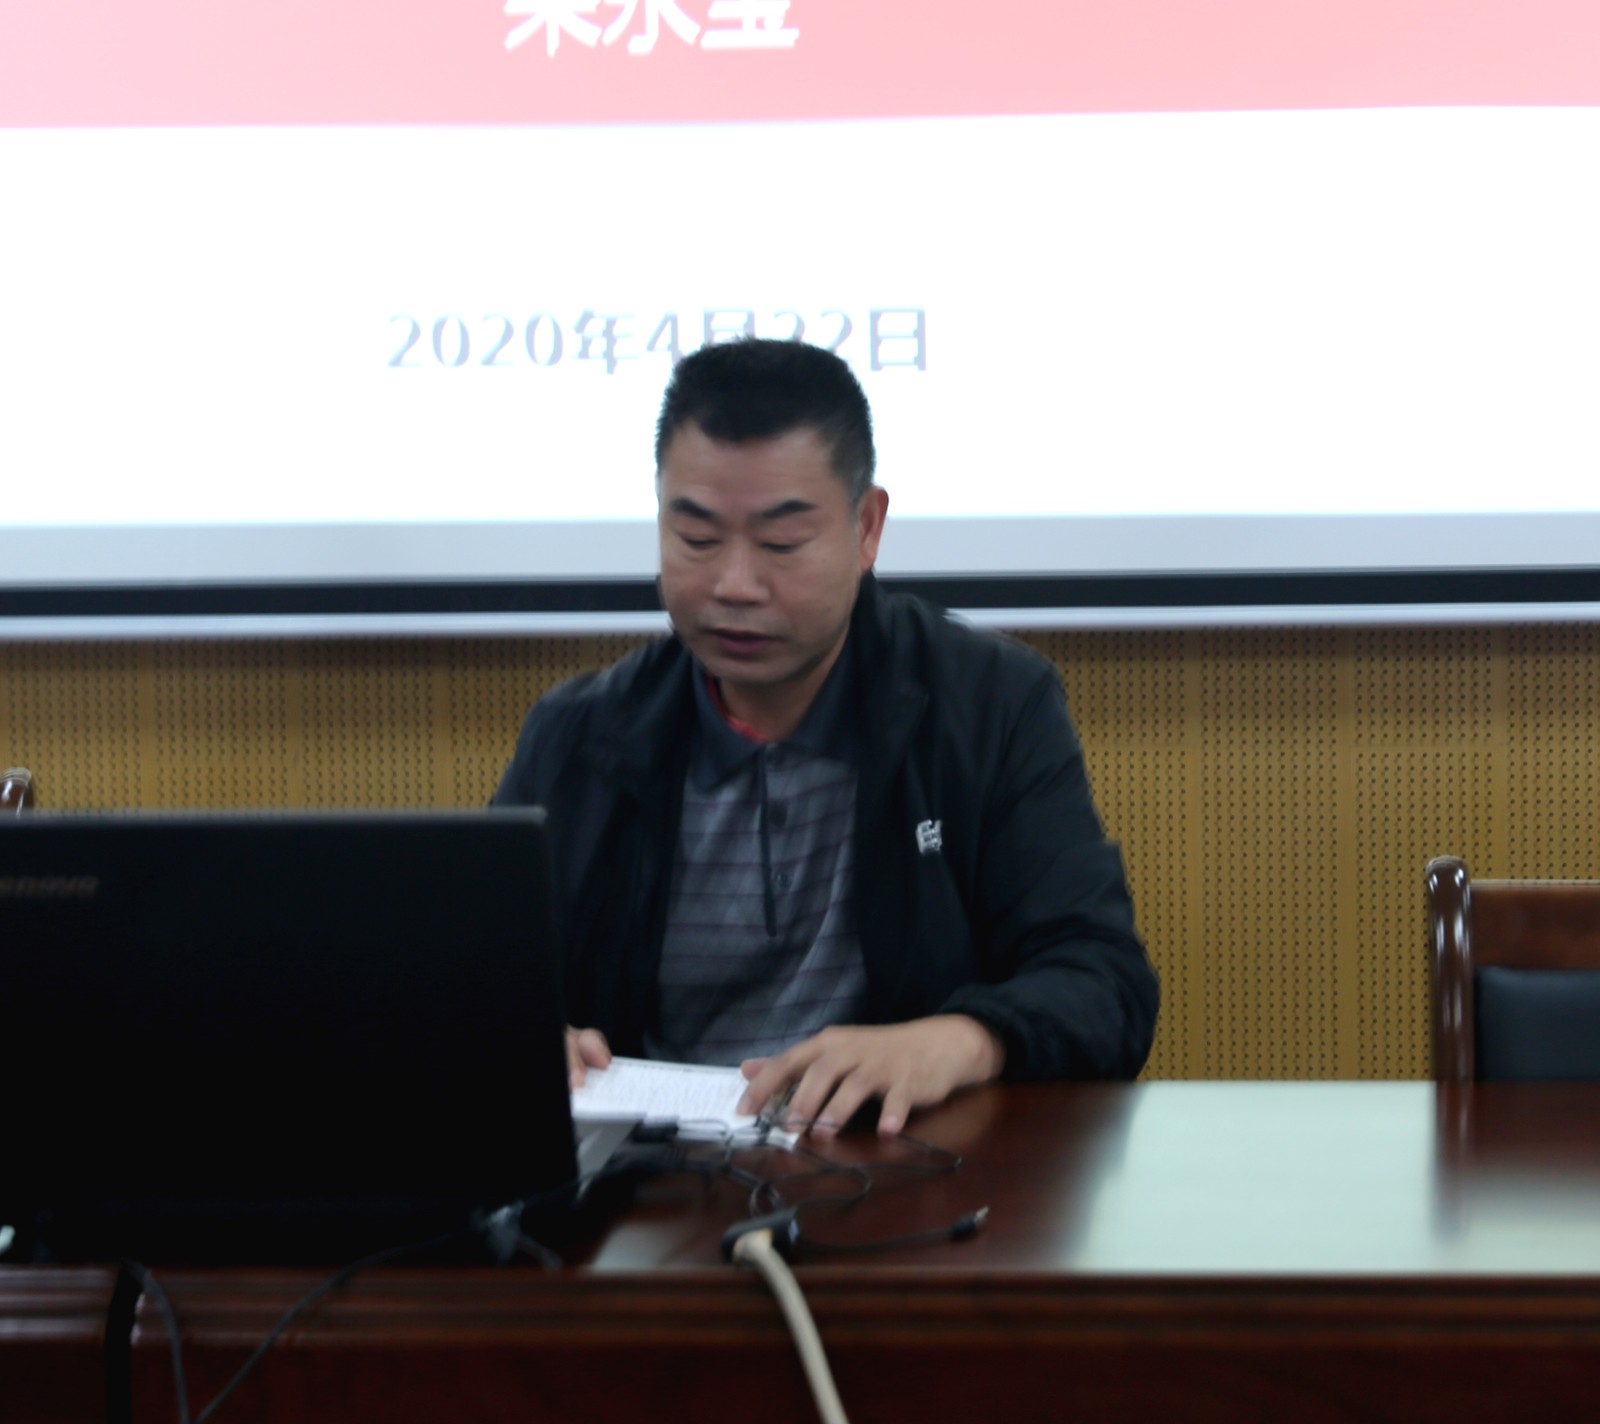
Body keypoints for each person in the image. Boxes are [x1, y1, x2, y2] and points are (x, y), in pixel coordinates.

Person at [494, 338, 1158, 1136]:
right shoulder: (581, 737)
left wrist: (961, 1039)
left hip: (902, 1168)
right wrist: (521, 1038)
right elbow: (470, 989)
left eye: (781, 545)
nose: (735, 585)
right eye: (696, 539)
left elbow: (1104, 985)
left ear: (867, 528)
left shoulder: (988, 706)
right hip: (645, 1182)